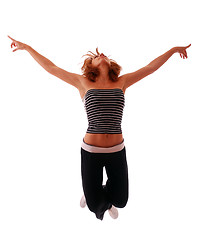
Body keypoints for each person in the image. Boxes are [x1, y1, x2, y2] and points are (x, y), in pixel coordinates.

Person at [8, 35, 191, 220]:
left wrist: (174, 49)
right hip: (91, 151)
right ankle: (92, 197)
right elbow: (52, 68)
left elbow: (150, 68)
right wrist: (27, 47)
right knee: (95, 206)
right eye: (96, 56)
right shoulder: (83, 82)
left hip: (116, 150)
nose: (102, 55)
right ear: (91, 66)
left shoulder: (122, 82)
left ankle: (102, 196)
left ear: (111, 64)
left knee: (121, 201)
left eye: (104, 55)